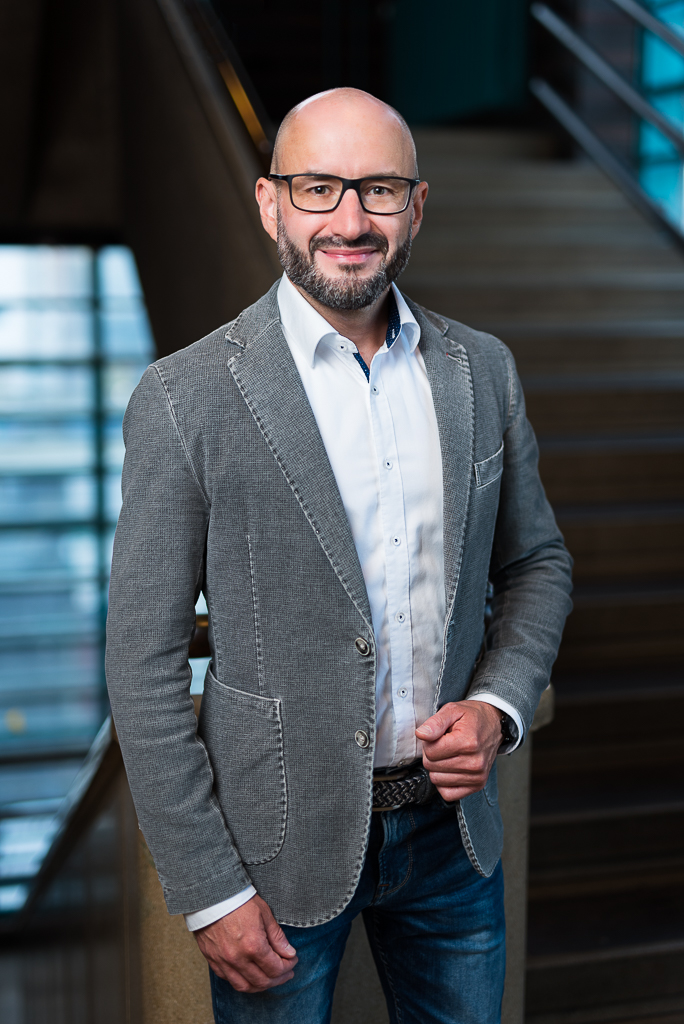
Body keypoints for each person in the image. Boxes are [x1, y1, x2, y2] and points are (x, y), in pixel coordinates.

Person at [106, 88, 572, 1024]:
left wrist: (498, 703)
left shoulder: (483, 370)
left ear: (418, 205)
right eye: (318, 188)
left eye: (379, 190)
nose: (350, 221)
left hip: (453, 844)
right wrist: (209, 888)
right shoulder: (184, 397)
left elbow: (537, 563)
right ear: (270, 202)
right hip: (271, 852)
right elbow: (143, 662)